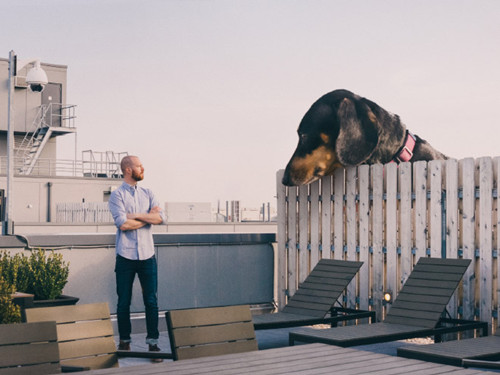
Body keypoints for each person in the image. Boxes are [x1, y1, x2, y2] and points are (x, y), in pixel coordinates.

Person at [108, 155, 165, 360]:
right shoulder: (117, 196)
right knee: (123, 301)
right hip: (125, 256)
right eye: (140, 166)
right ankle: (125, 342)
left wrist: (134, 216)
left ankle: (153, 344)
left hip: (147, 256)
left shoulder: (148, 193)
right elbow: (122, 224)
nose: (144, 168)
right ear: (128, 170)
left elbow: (159, 218)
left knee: (151, 301)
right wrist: (146, 217)